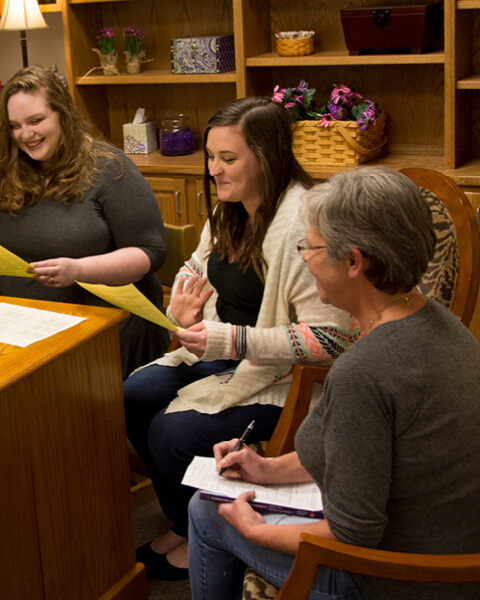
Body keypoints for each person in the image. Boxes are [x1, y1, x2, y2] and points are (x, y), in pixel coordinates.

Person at [188, 167, 480, 600]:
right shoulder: (438, 320)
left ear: (354, 261)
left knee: (205, 512)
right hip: (449, 548)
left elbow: (354, 535)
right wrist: (266, 469)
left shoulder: (364, 371)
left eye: (311, 247)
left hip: (398, 577)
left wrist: (260, 532)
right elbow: (364, 453)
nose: (304, 257)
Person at [126, 97, 353, 580]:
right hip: (224, 351)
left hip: (281, 375)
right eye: (211, 157)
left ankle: (203, 533)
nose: (214, 171)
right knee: (134, 395)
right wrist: (179, 308)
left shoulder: (303, 223)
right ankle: (184, 520)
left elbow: (329, 339)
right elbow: (194, 266)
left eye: (228, 159)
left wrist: (231, 342)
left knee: (172, 433)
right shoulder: (229, 210)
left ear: (267, 160)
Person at [0, 65, 168, 378]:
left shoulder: (108, 168)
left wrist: (80, 270)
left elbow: (150, 252)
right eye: (15, 126)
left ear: (63, 114)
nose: (26, 135)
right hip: (4, 320)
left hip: (92, 320)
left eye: (36, 121)